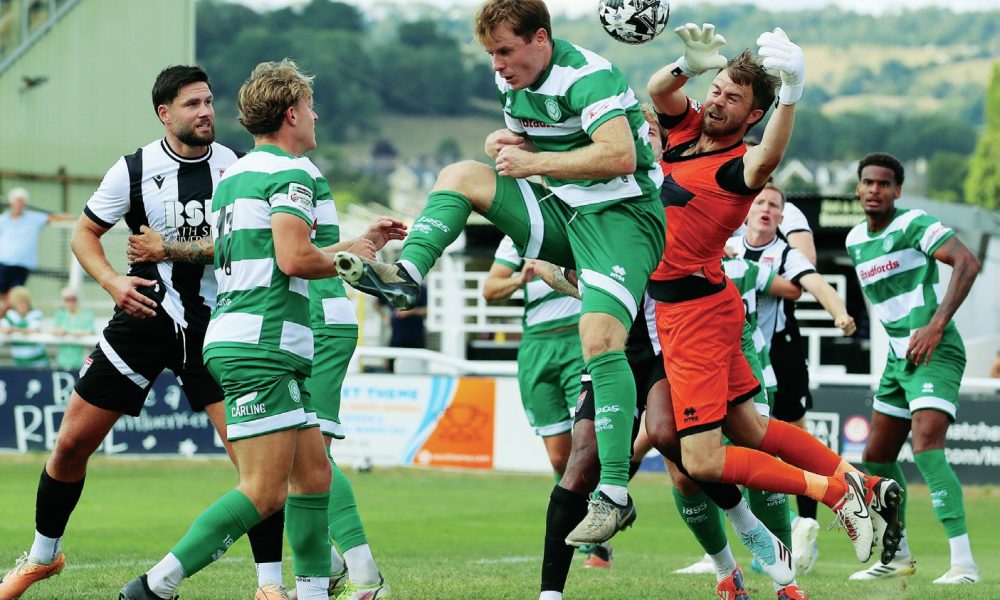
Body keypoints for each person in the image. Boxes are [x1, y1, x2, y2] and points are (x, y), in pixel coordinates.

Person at [335, 0, 666, 545]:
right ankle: (406, 273)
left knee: (599, 340)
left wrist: (531, 160)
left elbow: (619, 155)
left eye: (506, 51)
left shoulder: (589, 74)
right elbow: (538, 152)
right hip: (566, 210)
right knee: (463, 172)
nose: (497, 65)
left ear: (540, 38)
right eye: (491, 54)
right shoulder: (513, 85)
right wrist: (509, 145)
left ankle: (614, 495)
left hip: (623, 218)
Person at [0, 65, 286, 600]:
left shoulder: (240, 168)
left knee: (255, 464)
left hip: (217, 327)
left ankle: (269, 584)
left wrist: (170, 251)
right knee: (69, 446)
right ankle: (43, 556)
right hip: (144, 318)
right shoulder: (133, 170)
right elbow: (85, 233)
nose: (205, 112)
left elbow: (256, 245)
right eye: (192, 104)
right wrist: (112, 283)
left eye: (208, 102)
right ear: (164, 113)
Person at [642, 22, 899, 568]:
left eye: (734, 98)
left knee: (704, 461)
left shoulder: (739, 167)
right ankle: (864, 485)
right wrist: (690, 65)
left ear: (753, 115)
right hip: (705, 305)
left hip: (693, 316)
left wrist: (791, 95)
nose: (717, 101)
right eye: (716, 90)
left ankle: (837, 496)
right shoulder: (685, 129)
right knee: (751, 428)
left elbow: (769, 159)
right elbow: (659, 92)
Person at [117, 59, 342, 600]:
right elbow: (294, 258)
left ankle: (311, 593)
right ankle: (154, 587)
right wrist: (357, 258)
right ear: (292, 113)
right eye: (310, 107)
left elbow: (249, 251)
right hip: (264, 343)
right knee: (263, 490)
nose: (316, 117)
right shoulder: (294, 173)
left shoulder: (235, 174)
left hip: (245, 337)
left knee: (313, 480)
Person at [846, 152, 981, 584]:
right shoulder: (853, 241)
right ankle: (897, 553)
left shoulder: (912, 224)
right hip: (898, 357)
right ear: (858, 188)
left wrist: (936, 326)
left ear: (898, 191)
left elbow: (968, 261)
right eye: (868, 182)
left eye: (884, 184)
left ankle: (964, 564)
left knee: (926, 447)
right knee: (876, 458)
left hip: (934, 349)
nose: (874, 190)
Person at [728, 183, 858, 574]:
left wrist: (840, 312)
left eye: (774, 206)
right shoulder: (726, 243)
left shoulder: (782, 252)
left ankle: (803, 527)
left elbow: (813, 283)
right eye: (760, 203)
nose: (766, 209)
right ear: (747, 210)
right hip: (731, 355)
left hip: (776, 353)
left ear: (782, 218)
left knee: (790, 438)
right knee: (727, 451)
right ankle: (749, 544)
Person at [484, 237, 582, 478]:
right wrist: (519, 279)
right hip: (536, 348)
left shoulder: (577, 221)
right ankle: (574, 510)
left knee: (587, 442)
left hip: (579, 339)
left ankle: (602, 503)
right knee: (559, 458)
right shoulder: (517, 236)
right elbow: (489, 289)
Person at [0, 187, 74, 313]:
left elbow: (55, 218)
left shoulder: (34, 218)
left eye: (22, 201)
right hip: (3, 264)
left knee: (14, 297)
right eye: (17, 200)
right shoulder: (3, 219)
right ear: (11, 202)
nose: (19, 203)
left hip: (22, 266)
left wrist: (84, 218)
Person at [0, 285, 48, 367]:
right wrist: (5, 330)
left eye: (24, 302)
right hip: (19, 362)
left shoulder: (35, 314)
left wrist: (14, 330)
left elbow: (33, 330)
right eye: (19, 302)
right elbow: (3, 328)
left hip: (38, 363)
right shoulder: (11, 315)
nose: (22, 305)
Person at [50, 287, 96, 372]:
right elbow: (52, 330)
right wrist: (59, 331)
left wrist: (70, 332)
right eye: (67, 299)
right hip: (62, 360)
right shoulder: (60, 314)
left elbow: (91, 332)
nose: (70, 302)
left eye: (73, 299)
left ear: (77, 300)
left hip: (81, 361)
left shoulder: (86, 314)